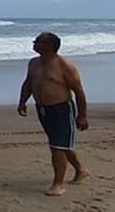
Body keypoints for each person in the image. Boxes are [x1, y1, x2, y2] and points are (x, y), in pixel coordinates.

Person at [18, 32, 90, 196]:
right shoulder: (34, 63)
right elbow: (29, 83)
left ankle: (58, 184)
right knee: (59, 144)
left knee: (57, 147)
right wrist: (22, 101)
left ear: (50, 46)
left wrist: (82, 115)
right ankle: (80, 169)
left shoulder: (64, 65)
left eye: (38, 41)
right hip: (43, 109)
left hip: (62, 109)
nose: (34, 43)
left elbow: (79, 92)